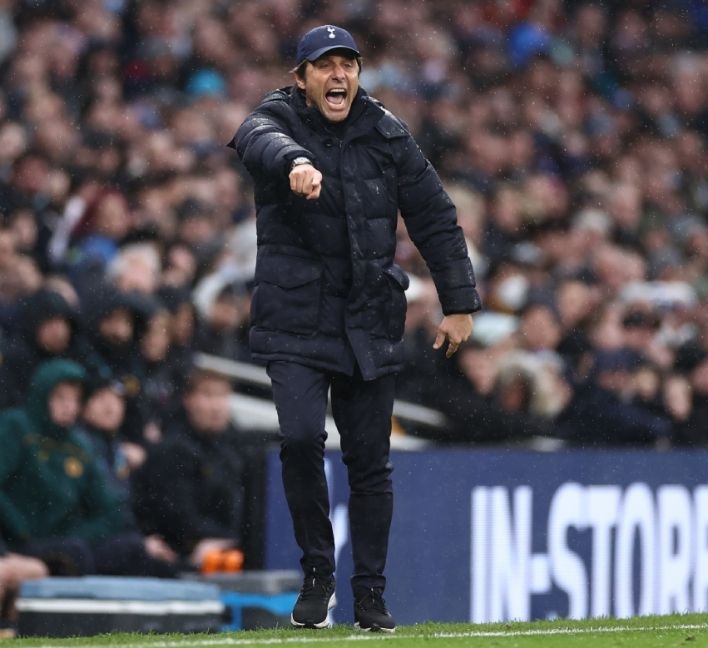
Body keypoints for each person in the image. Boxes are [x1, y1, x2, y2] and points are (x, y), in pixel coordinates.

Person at [228, 24, 480, 632]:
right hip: (296, 319)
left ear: (359, 74)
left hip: (368, 316)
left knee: (370, 461)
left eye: (348, 64)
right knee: (299, 440)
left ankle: (369, 592)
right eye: (324, 65)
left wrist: (459, 303)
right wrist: (295, 160)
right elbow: (253, 137)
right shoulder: (276, 118)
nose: (338, 74)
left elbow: (434, 216)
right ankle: (318, 573)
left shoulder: (386, 132)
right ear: (301, 78)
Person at [0, 359, 178, 578]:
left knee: (134, 549)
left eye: (75, 399)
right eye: (60, 397)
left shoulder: (78, 446)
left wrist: (80, 535)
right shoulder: (16, 427)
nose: (69, 406)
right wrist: (19, 528)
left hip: (65, 542)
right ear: (42, 394)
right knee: (75, 553)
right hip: (15, 542)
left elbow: (110, 510)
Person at [133, 369, 247, 570]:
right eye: (208, 395)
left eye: (222, 396)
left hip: (223, 545)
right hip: (175, 557)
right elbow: (179, 521)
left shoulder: (232, 448)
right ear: (188, 400)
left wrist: (230, 540)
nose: (216, 406)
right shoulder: (172, 450)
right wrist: (228, 540)